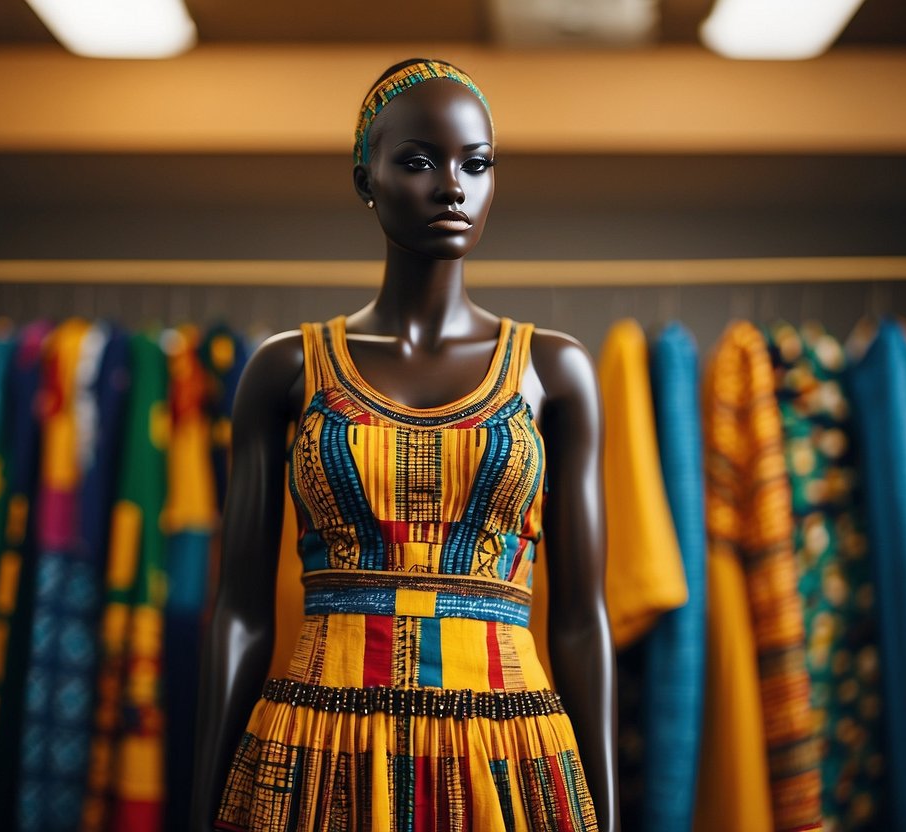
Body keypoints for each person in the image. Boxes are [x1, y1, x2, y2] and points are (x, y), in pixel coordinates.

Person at [190, 59, 618, 831]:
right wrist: (203, 805)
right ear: (365, 179)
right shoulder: (285, 369)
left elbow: (583, 619)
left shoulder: (553, 371)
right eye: (418, 161)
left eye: (476, 164)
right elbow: (240, 611)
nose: (452, 185)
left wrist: (606, 814)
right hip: (320, 752)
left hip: (507, 759)